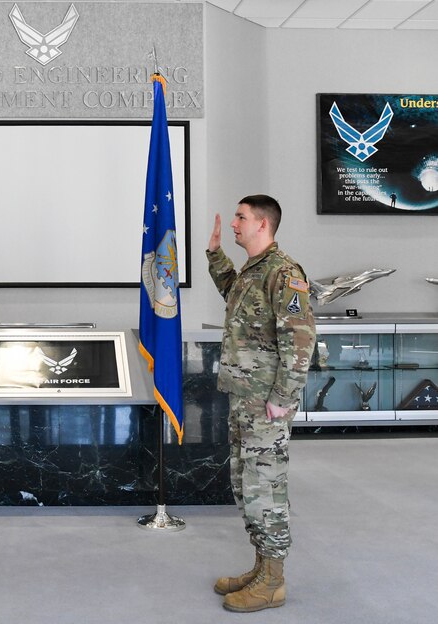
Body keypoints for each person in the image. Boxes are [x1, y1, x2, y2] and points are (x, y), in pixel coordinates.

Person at [207, 195, 315, 613]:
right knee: (246, 483)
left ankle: (273, 581)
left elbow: (300, 341)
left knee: (265, 487)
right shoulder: (254, 271)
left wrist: (282, 399)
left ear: (263, 224)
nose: (234, 223)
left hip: (266, 403)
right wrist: (215, 255)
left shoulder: (284, 273)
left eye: (240, 217)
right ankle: (261, 565)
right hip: (245, 398)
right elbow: (233, 295)